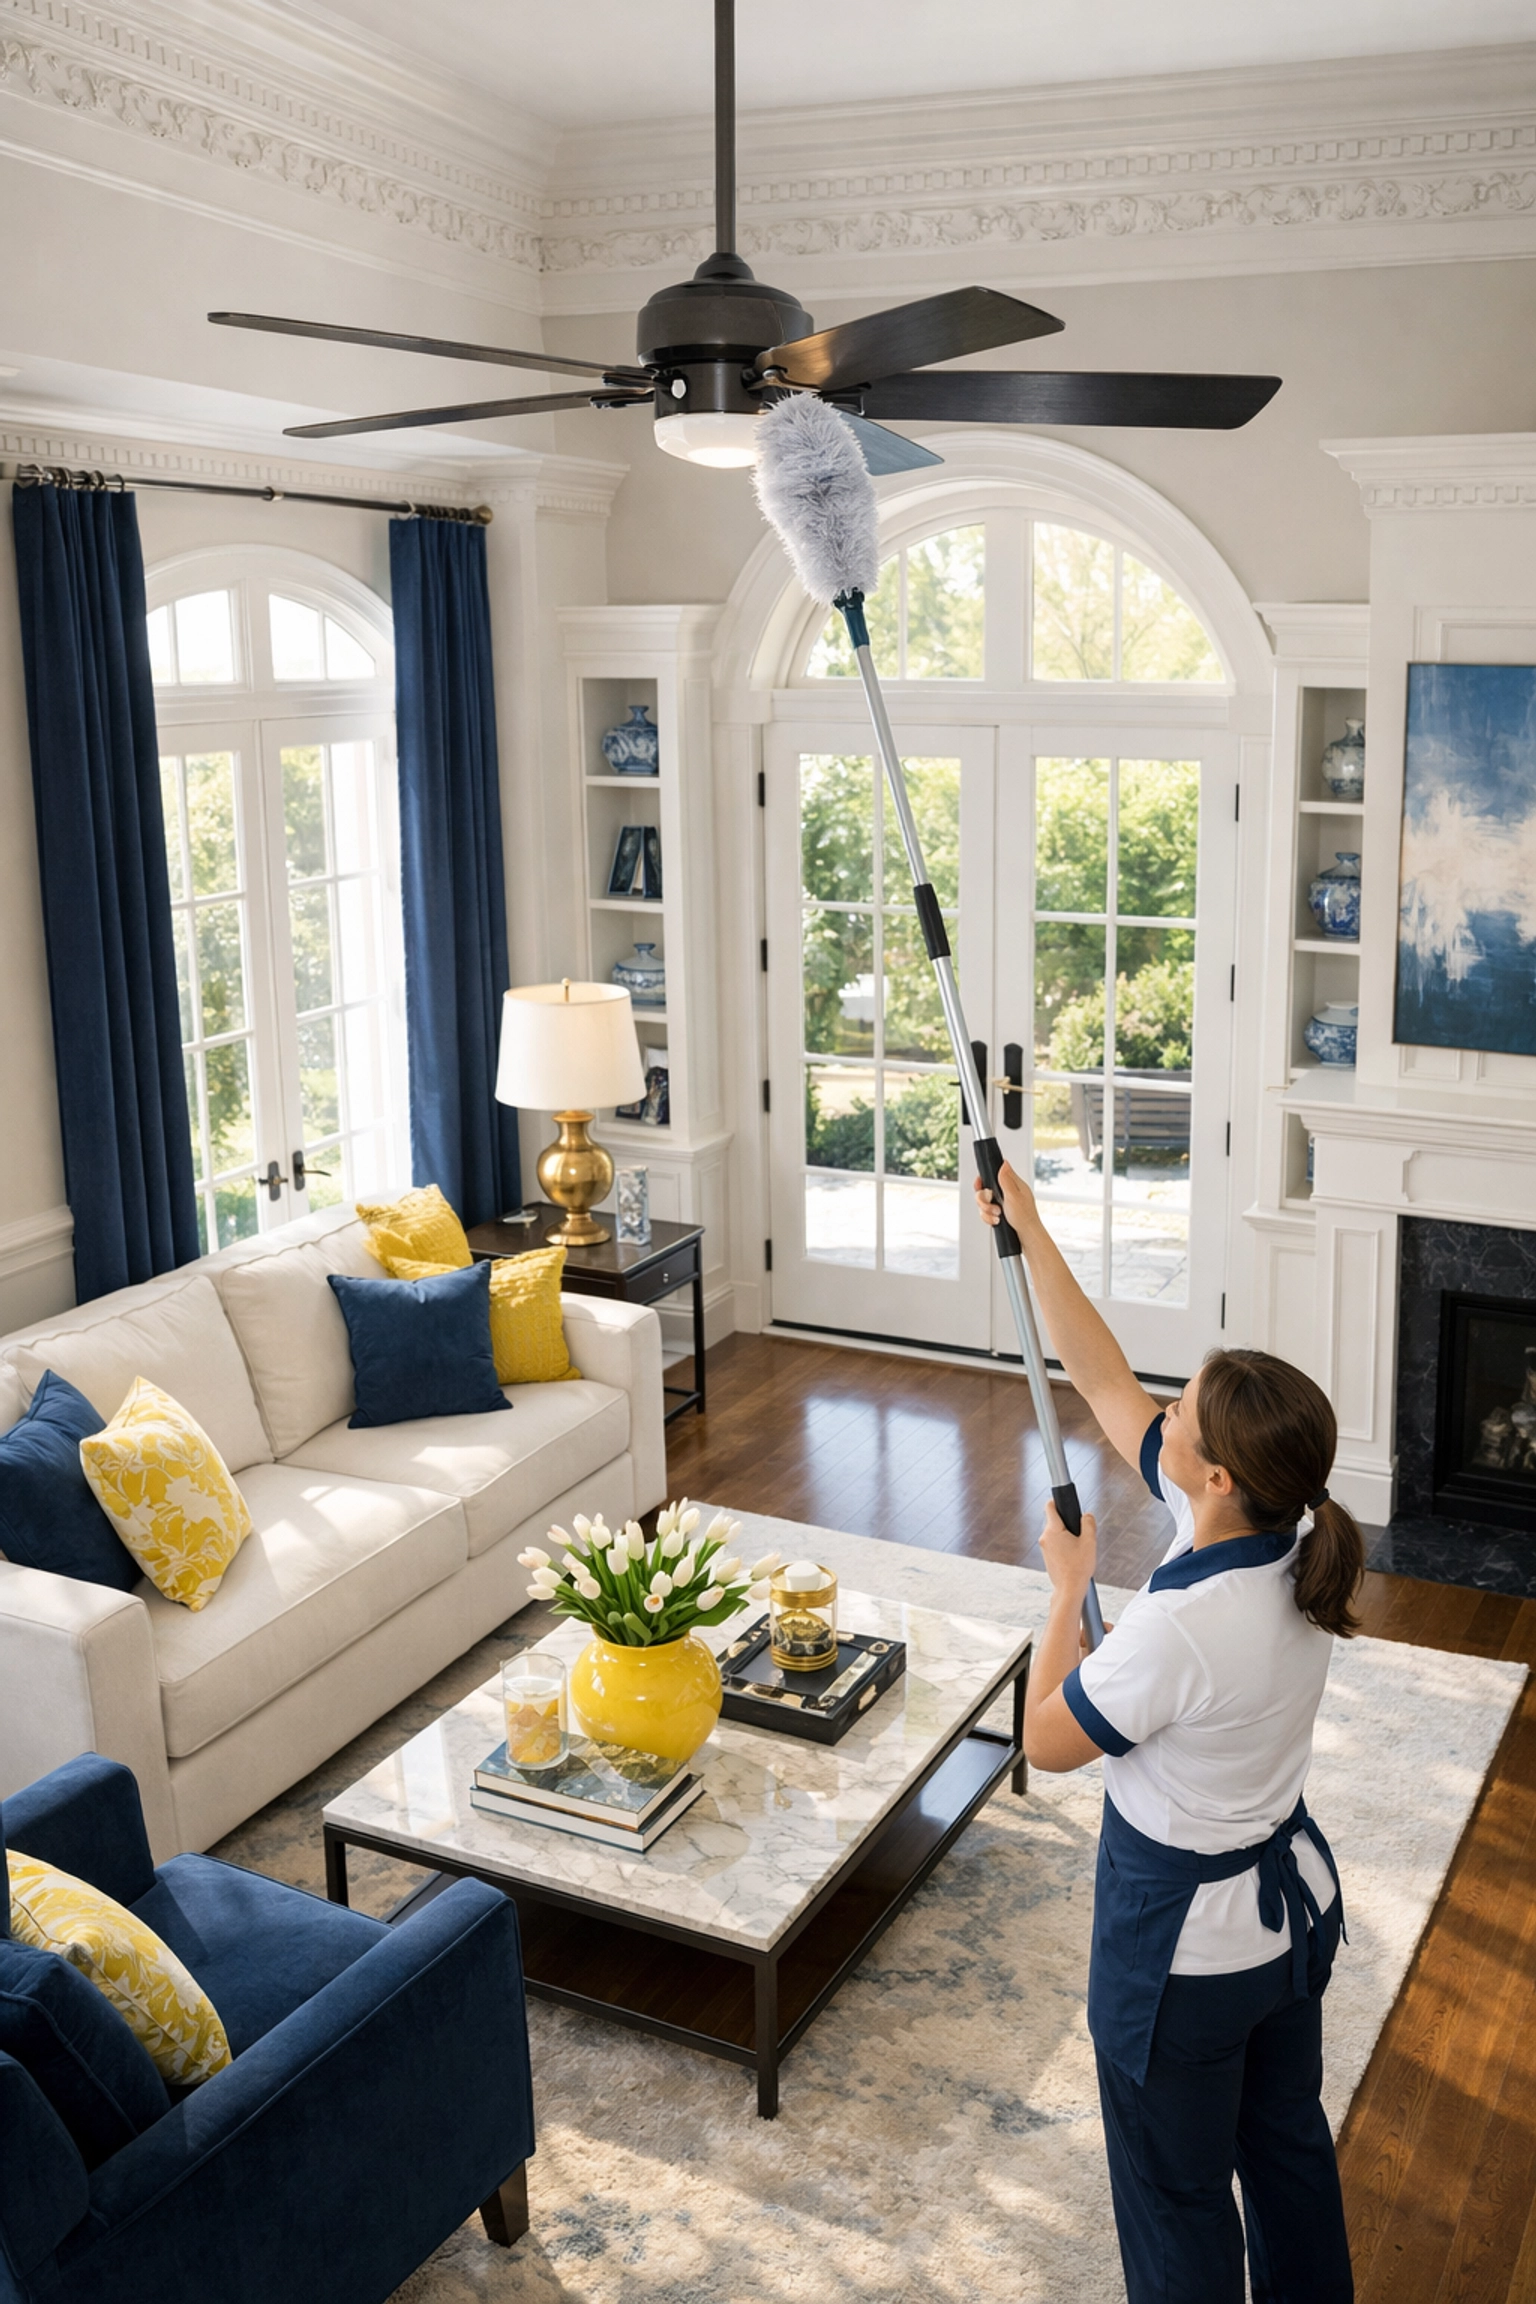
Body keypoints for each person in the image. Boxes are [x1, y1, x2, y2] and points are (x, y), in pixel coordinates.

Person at [976, 1160, 1362, 2304]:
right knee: (1286, 2151)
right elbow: (1101, 1385)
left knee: (1177, 2195)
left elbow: (1044, 1743)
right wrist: (1030, 1232)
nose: (1164, 1414)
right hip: (1286, 1933)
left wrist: (1066, 1590)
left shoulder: (1181, 1626)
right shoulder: (1294, 1540)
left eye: (1180, 1413)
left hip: (1183, 1953)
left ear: (1217, 1470)